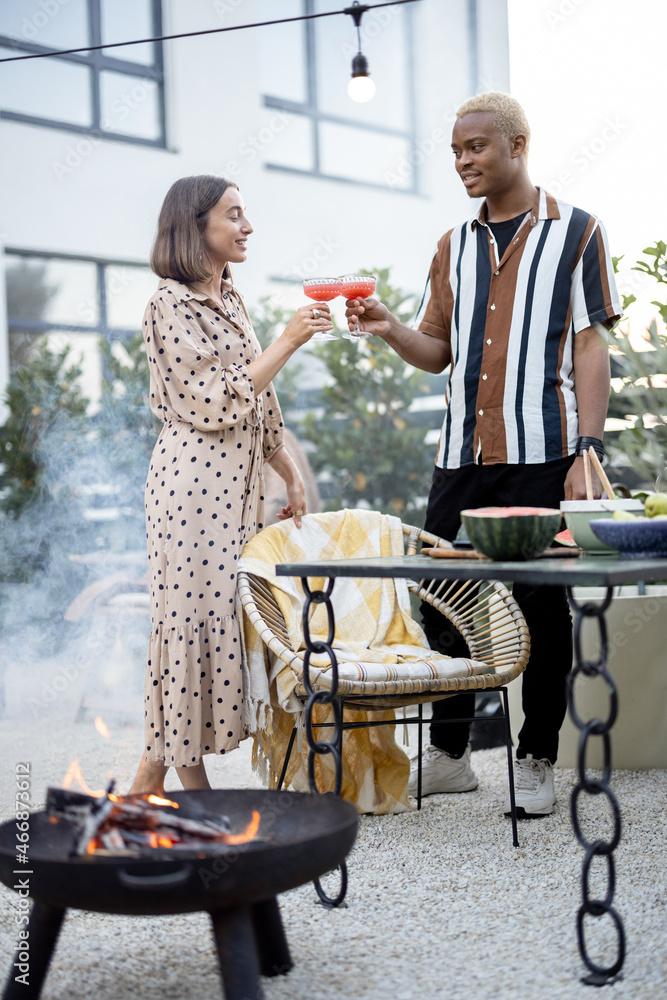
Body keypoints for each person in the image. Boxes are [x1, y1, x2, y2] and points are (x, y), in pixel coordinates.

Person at [345, 92, 621, 817]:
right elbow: (436, 352)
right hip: (460, 456)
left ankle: (534, 757)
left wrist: (586, 449)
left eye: (476, 148)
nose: (463, 161)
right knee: (442, 602)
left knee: (539, 606)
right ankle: (450, 755)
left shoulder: (578, 233)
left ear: (517, 145)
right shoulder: (451, 246)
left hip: (543, 452)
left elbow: (592, 346)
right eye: (455, 151)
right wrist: (386, 327)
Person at [128, 175, 333, 794]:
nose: (247, 227)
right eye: (234, 215)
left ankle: (154, 786)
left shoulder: (232, 300)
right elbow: (217, 400)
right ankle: (178, 787)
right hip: (191, 490)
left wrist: (289, 472)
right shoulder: (167, 305)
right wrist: (290, 339)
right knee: (188, 623)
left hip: (236, 493)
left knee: (216, 619)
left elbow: (259, 400)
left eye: (246, 214)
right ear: (195, 228)